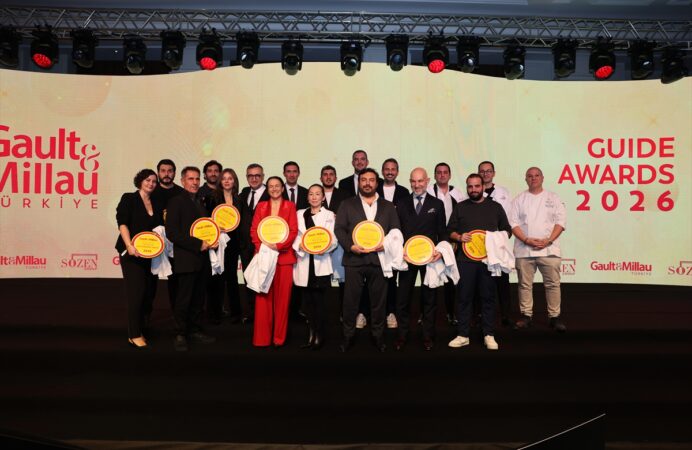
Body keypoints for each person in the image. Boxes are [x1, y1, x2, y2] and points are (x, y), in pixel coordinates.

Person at [334, 168, 401, 353]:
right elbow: (339, 229)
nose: (367, 183)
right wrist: (350, 246)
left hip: (379, 260)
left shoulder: (388, 206)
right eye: (363, 180)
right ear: (359, 182)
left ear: (377, 183)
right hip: (354, 260)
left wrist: (385, 244)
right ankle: (348, 336)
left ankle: (378, 336)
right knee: (350, 302)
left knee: (379, 302)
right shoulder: (347, 204)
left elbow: (395, 230)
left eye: (371, 180)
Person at [447, 173, 512, 351]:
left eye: (477, 186)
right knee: (464, 297)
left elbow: (507, 230)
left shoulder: (495, 207)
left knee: (488, 297)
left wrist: (494, 239)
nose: (473, 189)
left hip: (488, 261)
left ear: (483, 187)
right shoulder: (460, 207)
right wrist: (459, 237)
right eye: (470, 186)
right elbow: (450, 231)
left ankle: (488, 334)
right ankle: (463, 335)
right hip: (464, 261)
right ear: (467, 188)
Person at [165, 166, 218, 352]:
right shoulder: (176, 202)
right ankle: (180, 333)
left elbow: (206, 229)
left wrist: (212, 241)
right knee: (184, 299)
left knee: (198, 298)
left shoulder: (200, 202)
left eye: (197, 179)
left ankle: (194, 330)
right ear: (182, 181)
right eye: (190, 179)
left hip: (202, 259)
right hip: (186, 258)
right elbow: (172, 233)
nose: (195, 182)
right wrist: (198, 244)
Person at [510, 167, 567, 333]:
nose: (533, 178)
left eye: (536, 175)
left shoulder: (553, 198)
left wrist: (548, 240)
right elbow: (513, 224)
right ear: (525, 179)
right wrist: (526, 239)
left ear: (542, 178)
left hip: (549, 249)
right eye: (530, 176)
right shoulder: (519, 199)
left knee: (553, 284)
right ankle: (526, 316)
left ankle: (554, 317)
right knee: (524, 285)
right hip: (524, 249)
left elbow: (561, 222)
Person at [395, 168, 445, 351]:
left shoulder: (437, 204)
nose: (417, 185)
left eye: (420, 181)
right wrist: (400, 252)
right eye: (413, 181)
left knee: (429, 299)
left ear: (427, 181)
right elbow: (396, 233)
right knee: (403, 299)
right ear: (410, 182)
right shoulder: (401, 204)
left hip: (429, 259)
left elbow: (442, 232)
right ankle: (402, 336)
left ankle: (428, 336)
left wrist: (440, 251)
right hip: (407, 259)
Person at [115, 169, 163, 349]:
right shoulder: (129, 198)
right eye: (147, 180)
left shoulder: (156, 202)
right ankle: (133, 334)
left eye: (154, 181)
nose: (151, 183)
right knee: (136, 293)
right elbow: (122, 223)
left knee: (149, 293)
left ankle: (142, 327)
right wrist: (129, 245)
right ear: (140, 181)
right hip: (132, 254)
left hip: (150, 255)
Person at [249, 176, 299, 347]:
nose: (274, 189)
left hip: (284, 259)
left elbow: (293, 231)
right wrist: (264, 249)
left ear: (283, 188)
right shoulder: (261, 206)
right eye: (271, 186)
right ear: (267, 189)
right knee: (263, 298)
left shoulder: (290, 206)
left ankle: (279, 338)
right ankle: (262, 339)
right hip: (264, 257)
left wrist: (277, 246)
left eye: (277, 186)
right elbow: (254, 230)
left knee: (283, 300)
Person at [293, 184, 338, 350]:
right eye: (311, 194)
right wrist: (299, 246)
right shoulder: (299, 214)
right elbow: (295, 236)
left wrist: (323, 248)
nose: (314, 197)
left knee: (319, 303)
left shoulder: (329, 215)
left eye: (318, 194)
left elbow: (333, 239)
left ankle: (320, 335)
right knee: (307, 303)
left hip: (320, 262)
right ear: (307, 197)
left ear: (323, 197)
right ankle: (311, 334)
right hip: (304, 262)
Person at [205, 168, 248, 324]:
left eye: (230, 178)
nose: (227, 181)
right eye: (224, 178)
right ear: (220, 181)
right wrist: (216, 229)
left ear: (234, 181)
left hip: (233, 243)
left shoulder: (240, 200)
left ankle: (235, 312)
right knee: (216, 278)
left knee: (231, 278)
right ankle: (215, 312)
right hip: (217, 243)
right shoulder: (212, 198)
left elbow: (242, 223)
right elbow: (208, 220)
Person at [427, 162, 468, 327]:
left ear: (450, 175)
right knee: (429, 278)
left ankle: (451, 313)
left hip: (451, 241)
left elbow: (462, 219)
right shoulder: (428, 191)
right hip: (430, 241)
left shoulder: (457, 193)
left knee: (451, 279)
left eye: (445, 172)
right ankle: (426, 314)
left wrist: (456, 239)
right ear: (434, 175)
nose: (442, 175)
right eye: (439, 172)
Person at [478, 160, 514, 326]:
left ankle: (506, 314)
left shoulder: (504, 193)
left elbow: (508, 220)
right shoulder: (474, 192)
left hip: (498, 243)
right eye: (482, 171)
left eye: (488, 171)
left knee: (502, 280)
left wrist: (502, 236)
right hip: (479, 244)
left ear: (494, 173)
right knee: (481, 281)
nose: (485, 174)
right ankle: (479, 314)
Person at [378, 158, 409, 329]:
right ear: (382, 171)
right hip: (376, 242)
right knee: (377, 279)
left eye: (393, 169)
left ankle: (391, 312)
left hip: (396, 243)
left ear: (397, 171)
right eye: (387, 169)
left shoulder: (404, 191)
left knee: (392, 279)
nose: (390, 172)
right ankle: (376, 314)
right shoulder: (375, 189)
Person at [150, 159, 184, 311]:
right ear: (158, 172)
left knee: (175, 280)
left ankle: (177, 314)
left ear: (174, 173)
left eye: (170, 171)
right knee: (150, 280)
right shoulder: (151, 191)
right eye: (163, 171)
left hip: (174, 242)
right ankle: (145, 316)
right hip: (153, 241)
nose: (166, 174)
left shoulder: (181, 193)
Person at [239, 163, 269, 322]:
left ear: (263, 177)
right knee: (249, 279)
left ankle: (264, 313)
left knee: (264, 279)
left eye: (257, 175)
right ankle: (252, 312)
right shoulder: (244, 193)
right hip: (245, 246)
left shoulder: (271, 193)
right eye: (250, 176)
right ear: (246, 177)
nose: (254, 178)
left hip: (264, 246)